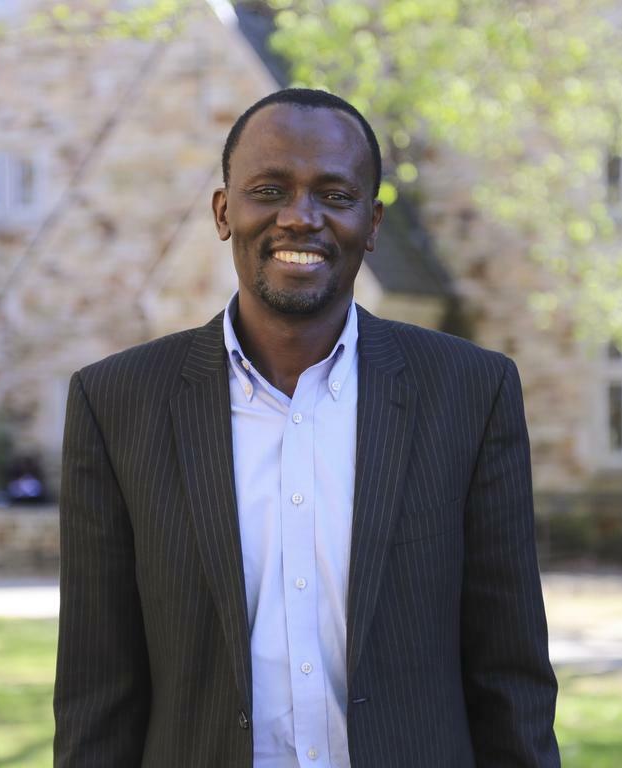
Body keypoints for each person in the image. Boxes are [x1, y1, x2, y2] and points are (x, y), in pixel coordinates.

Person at [54, 88, 560, 768]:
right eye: (269, 189)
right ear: (223, 210)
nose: (300, 217)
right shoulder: (115, 404)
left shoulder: (470, 393)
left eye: (334, 194)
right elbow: (97, 693)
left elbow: (510, 677)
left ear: (373, 223)